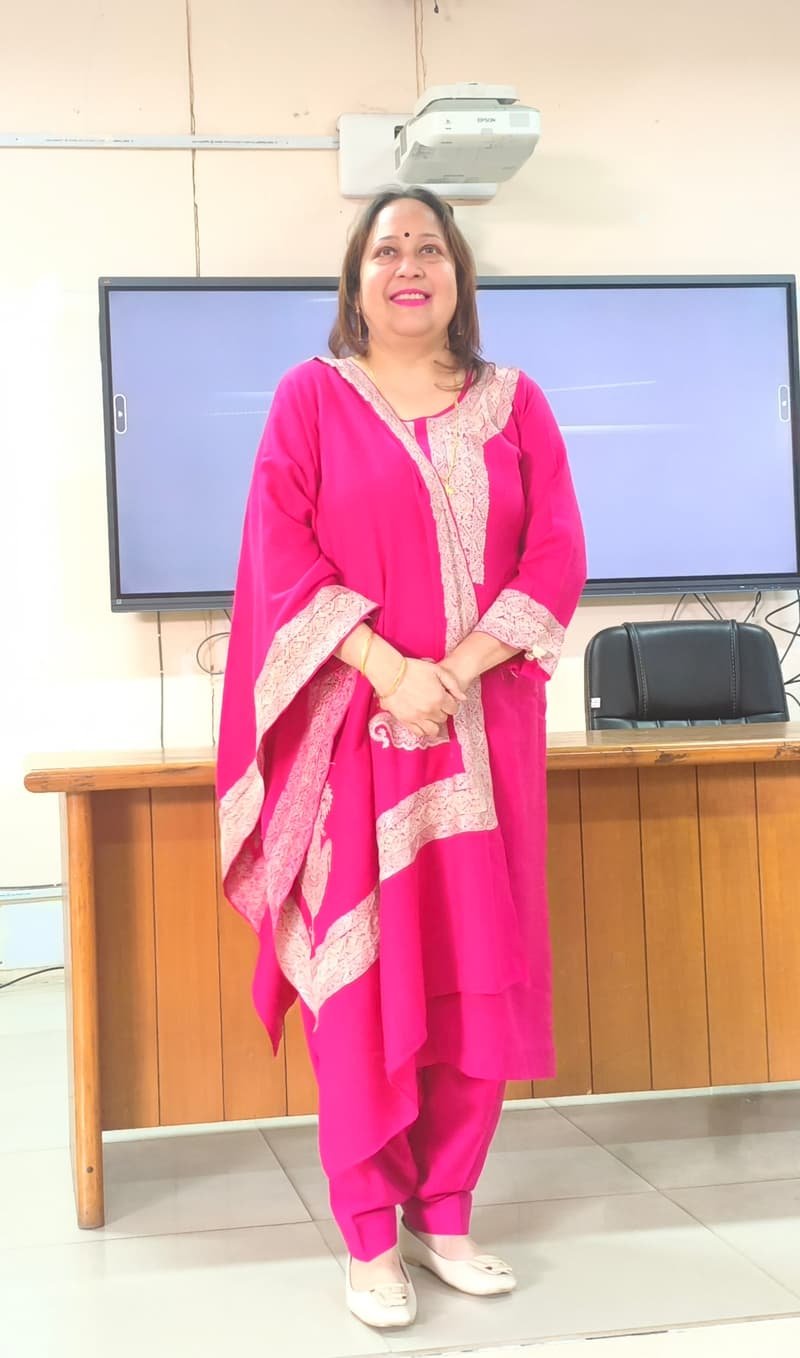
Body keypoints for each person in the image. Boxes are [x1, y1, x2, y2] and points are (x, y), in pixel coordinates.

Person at [217, 186, 587, 1330]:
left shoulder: (515, 403)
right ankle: (370, 1232)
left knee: (476, 968)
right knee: (363, 982)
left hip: (481, 737)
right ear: (356, 281)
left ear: (458, 275)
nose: (410, 264)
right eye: (387, 249)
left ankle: (446, 1208)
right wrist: (389, 668)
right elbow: (281, 554)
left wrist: (454, 671)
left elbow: (554, 552)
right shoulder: (310, 400)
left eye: (430, 246)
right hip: (356, 742)